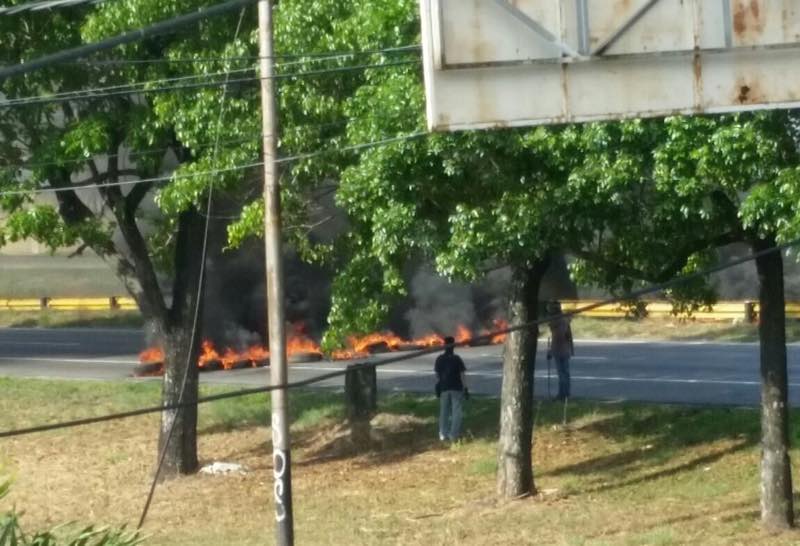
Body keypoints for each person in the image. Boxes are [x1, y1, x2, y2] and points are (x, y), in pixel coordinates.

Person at [434, 336, 469, 441]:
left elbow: (437, 375)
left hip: (444, 388)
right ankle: (453, 435)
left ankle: (443, 434)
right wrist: (466, 388)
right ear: (453, 346)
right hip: (456, 388)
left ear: (444, 345)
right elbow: (462, 375)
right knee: (456, 412)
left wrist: (440, 384)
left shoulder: (439, 359)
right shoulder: (457, 359)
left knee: (444, 412)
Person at [547, 301, 574, 401]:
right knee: (565, 373)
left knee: (562, 373)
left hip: (560, 350)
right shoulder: (563, 320)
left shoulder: (556, 322)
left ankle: (563, 395)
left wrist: (551, 351)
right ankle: (566, 394)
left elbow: (558, 338)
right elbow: (567, 336)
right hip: (565, 350)